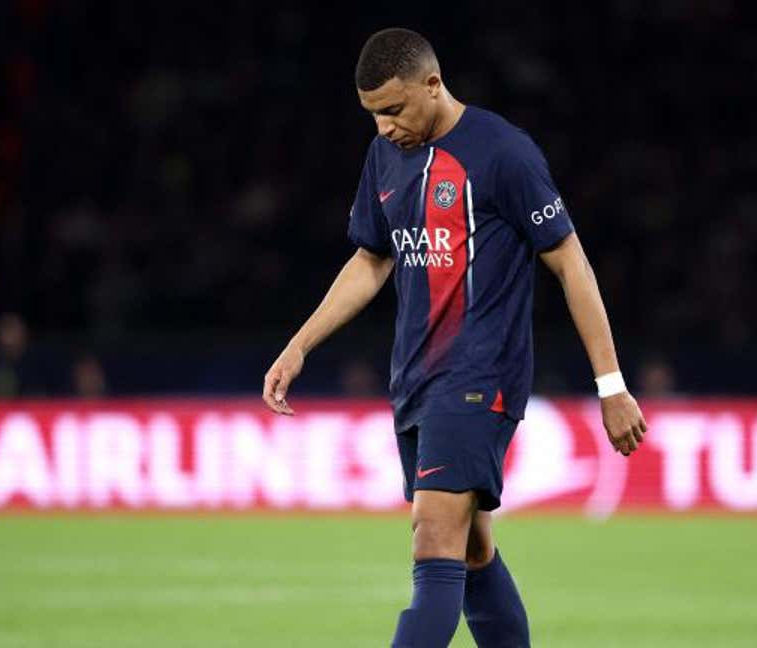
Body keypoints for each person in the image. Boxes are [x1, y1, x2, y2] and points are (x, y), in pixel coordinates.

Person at [262, 28, 647, 648]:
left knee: (432, 539)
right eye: (372, 115)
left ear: (433, 85)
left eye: (393, 109)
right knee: (471, 551)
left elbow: (571, 262)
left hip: (477, 378)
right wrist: (300, 344)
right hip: (414, 381)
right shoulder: (385, 156)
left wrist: (611, 386)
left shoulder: (502, 153)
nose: (384, 127)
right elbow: (370, 260)